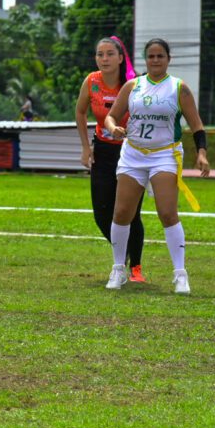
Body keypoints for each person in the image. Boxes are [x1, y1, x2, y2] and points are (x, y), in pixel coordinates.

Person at [103, 38, 210, 294]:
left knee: (167, 213)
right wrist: (112, 128)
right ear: (145, 59)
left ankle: (180, 274)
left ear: (168, 59)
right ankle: (118, 268)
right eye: (151, 56)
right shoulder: (132, 86)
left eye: (160, 56)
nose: (155, 60)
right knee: (121, 213)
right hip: (133, 154)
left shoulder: (178, 88)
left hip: (164, 155)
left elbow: (197, 125)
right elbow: (111, 116)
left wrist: (202, 153)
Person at [75, 36, 146, 283]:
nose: (103, 59)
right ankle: (122, 253)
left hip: (131, 153)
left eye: (109, 54)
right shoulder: (92, 81)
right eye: (99, 54)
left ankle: (135, 267)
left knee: (130, 212)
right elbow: (80, 111)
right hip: (103, 151)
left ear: (120, 58)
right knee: (101, 212)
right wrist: (86, 147)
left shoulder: (133, 84)